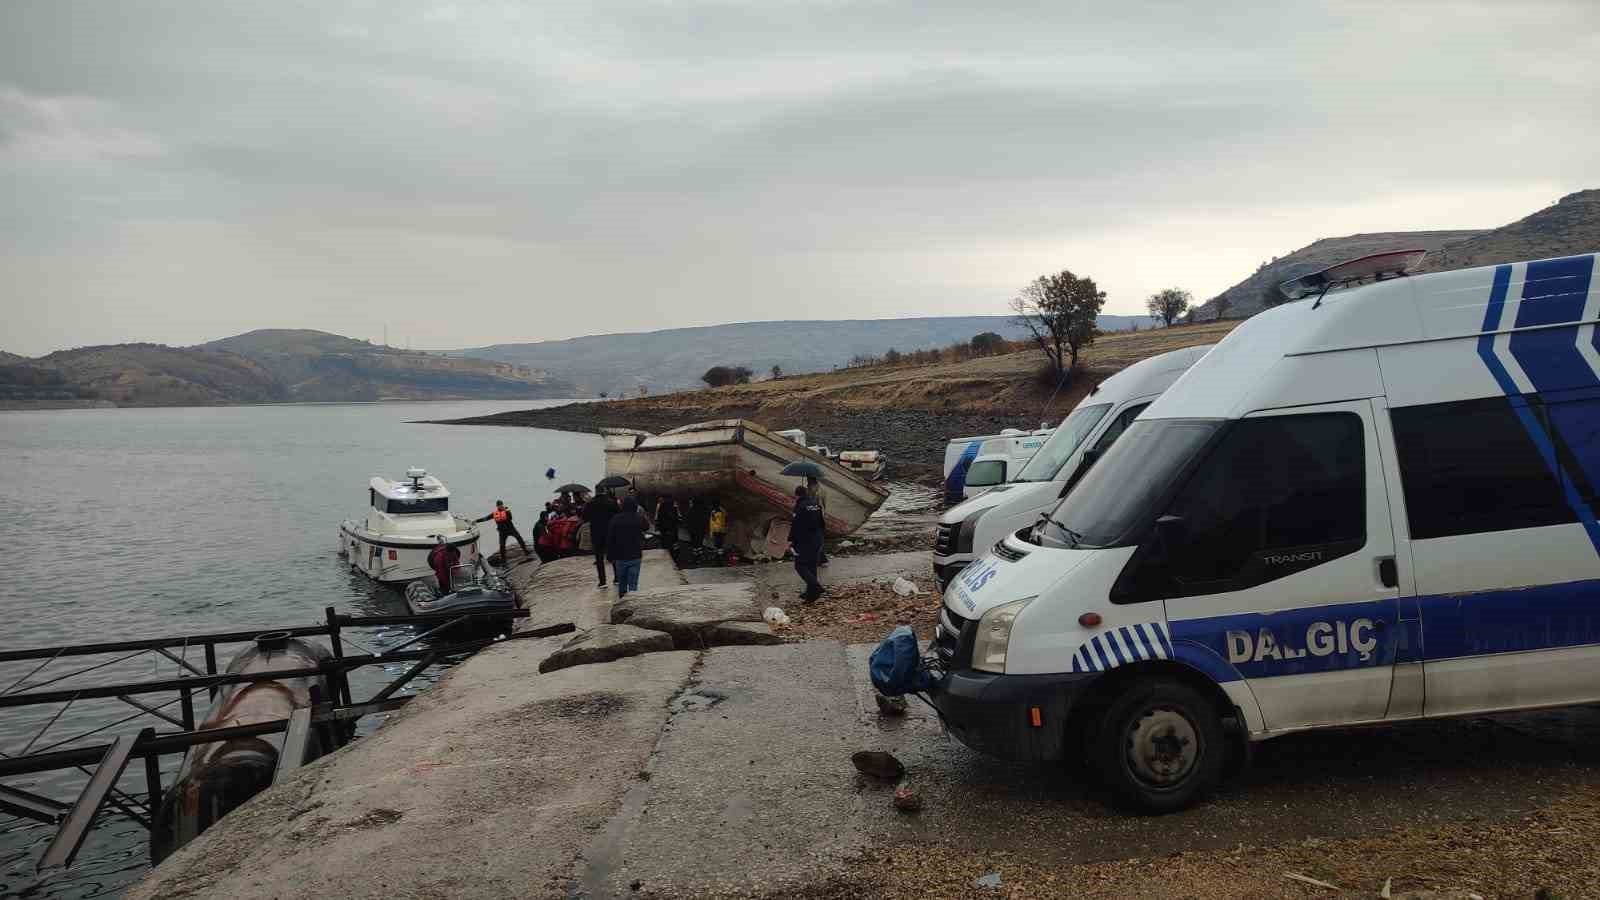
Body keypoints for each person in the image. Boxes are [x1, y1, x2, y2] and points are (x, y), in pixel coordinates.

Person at [605, 496, 649, 597]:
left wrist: (610, 555)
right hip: (635, 555)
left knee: (622, 584)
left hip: (620, 556)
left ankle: (622, 604)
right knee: (633, 585)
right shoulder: (638, 517)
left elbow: (610, 538)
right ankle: (633, 605)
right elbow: (646, 527)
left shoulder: (615, 519)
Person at [789, 484, 825, 602]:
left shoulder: (800, 506)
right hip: (818, 538)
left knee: (800, 565)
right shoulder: (816, 504)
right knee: (811, 566)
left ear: (797, 495)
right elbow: (822, 522)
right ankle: (811, 596)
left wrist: (791, 541)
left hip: (805, 540)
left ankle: (816, 586)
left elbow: (796, 525)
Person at [583, 485, 620, 589]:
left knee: (599, 558)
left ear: (596, 491)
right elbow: (618, 514)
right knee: (613, 555)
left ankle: (602, 582)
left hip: (596, 533)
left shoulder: (590, 503)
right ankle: (617, 578)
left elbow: (584, 517)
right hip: (610, 532)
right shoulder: (612, 502)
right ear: (604, 490)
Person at [807, 475, 830, 566]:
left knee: (815, 540)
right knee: (816, 540)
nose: (807, 485)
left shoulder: (817, 492)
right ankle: (820, 560)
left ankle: (822, 560)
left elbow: (819, 505)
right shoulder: (820, 491)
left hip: (816, 518)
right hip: (818, 518)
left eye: (809, 483)